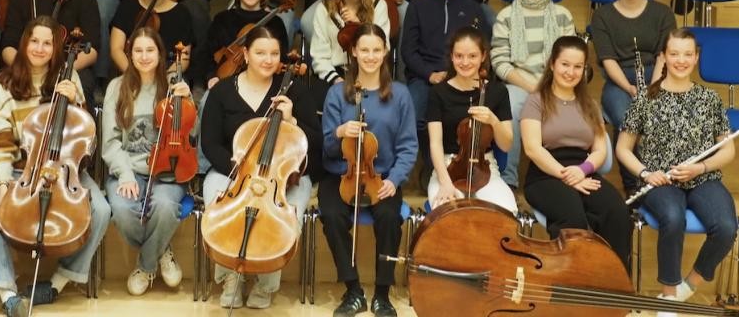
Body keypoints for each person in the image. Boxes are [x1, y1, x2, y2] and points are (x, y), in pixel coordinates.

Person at [0, 16, 110, 316]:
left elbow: (84, 134)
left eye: (47, 43)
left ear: (56, 48)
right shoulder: (5, 84)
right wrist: (2, 184)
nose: (40, 48)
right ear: (25, 43)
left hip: (65, 170)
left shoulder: (68, 79)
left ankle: (59, 282)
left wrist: (76, 103)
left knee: (100, 210)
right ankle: (6, 290)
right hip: (19, 170)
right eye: (34, 41)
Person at [616, 29, 737, 312]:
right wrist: (646, 173)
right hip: (659, 180)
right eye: (674, 54)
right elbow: (623, 148)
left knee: (727, 227)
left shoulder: (709, 99)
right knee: (672, 217)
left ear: (696, 58)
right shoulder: (645, 98)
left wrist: (701, 167)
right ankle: (668, 297)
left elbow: (728, 150)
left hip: (702, 178)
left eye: (687, 54)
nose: (680, 60)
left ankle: (686, 288)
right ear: (663, 57)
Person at [201, 27, 321, 309]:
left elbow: (314, 143)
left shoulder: (295, 91)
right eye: (260, 53)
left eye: (274, 54)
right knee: (219, 204)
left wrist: (291, 121)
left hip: (284, 176)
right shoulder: (222, 91)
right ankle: (232, 277)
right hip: (232, 171)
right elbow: (210, 143)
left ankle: (267, 285)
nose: (268, 60)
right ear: (245, 54)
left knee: (285, 217)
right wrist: (239, 168)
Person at [320, 23, 416, 317]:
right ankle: (353, 292)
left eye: (377, 50)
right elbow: (326, 146)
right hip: (340, 173)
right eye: (365, 50)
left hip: (382, 175)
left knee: (388, 217)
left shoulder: (399, 95)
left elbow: (408, 146)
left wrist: (394, 180)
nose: (371, 56)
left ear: (386, 52)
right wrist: (339, 133)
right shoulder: (337, 94)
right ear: (353, 52)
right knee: (332, 216)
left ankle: (382, 295)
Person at [520, 35, 631, 270]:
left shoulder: (590, 103)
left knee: (618, 212)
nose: (571, 72)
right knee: (573, 217)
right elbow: (532, 148)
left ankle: (614, 283)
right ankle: (568, 286)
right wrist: (566, 176)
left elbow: (600, 149)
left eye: (578, 66)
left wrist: (582, 171)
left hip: (584, 171)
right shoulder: (536, 100)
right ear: (552, 64)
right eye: (565, 64)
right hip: (545, 175)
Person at [101, 27, 190, 296]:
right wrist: (125, 174)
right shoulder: (117, 87)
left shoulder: (174, 87)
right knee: (123, 211)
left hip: (166, 171)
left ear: (161, 54)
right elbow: (111, 141)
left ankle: (145, 266)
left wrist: (187, 104)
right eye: (137, 50)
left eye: (150, 50)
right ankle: (162, 252)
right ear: (129, 54)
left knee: (164, 207)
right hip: (128, 170)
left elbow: (190, 135)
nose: (143, 56)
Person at [590, 0, 675, 195]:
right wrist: (628, 88)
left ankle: (661, 177)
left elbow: (664, 55)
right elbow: (608, 59)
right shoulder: (602, 16)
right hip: (619, 81)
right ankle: (635, 184)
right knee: (626, 117)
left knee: (660, 114)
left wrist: (654, 87)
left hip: (658, 76)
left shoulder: (662, 13)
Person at [490, 0, 575, 188]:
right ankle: (508, 178)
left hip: (557, 83)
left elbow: (570, 58)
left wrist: (552, 86)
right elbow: (499, 62)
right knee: (514, 104)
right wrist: (534, 88)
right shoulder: (506, 16)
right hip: (519, 83)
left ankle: (557, 178)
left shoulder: (563, 16)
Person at [425, 26, 516, 212]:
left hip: (484, 166)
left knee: (506, 212)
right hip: (447, 165)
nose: (465, 62)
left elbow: (506, 145)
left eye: (472, 56)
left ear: (483, 56)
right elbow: (435, 143)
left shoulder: (498, 92)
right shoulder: (438, 93)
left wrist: (493, 120)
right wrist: (445, 182)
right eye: (459, 56)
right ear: (451, 56)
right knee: (448, 215)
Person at [402, 0, 486, 145]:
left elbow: (482, 47)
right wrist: (430, 74)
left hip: (462, 76)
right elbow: (408, 50)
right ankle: (427, 167)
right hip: (424, 77)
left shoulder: (472, 8)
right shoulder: (417, 6)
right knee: (412, 118)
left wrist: (456, 75)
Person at [310, 0, 393, 86]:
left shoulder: (378, 5)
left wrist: (361, 26)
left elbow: (384, 48)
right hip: (334, 73)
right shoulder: (324, 9)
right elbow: (319, 57)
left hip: (370, 71)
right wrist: (337, 81)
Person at [206, 0, 289, 90]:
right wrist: (212, 77)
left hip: (262, 85)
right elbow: (206, 54)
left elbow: (281, 59)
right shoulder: (222, 19)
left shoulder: (275, 23)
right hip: (223, 84)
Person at [110, 0, 194, 77]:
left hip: (168, 76)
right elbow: (116, 50)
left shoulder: (181, 12)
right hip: (131, 74)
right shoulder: (126, 7)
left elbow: (184, 59)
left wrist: (162, 79)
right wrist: (133, 76)